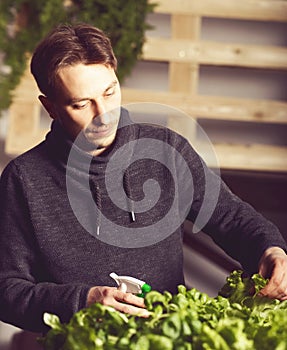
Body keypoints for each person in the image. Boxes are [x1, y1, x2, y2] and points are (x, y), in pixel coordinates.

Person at [0, 23, 287, 333]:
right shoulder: (23, 180)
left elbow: (231, 217)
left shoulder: (166, 150)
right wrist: (80, 301)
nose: (103, 114)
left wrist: (270, 249)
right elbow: (6, 290)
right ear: (51, 108)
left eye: (109, 93)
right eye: (81, 104)